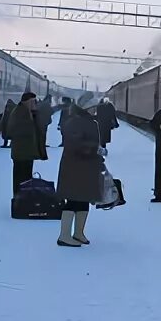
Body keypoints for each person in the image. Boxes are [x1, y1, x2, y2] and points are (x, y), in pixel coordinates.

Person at [56, 104, 105, 247]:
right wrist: (94, 149)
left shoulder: (86, 121)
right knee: (72, 200)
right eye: (92, 106)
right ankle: (64, 236)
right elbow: (74, 144)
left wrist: (97, 151)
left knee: (84, 199)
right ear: (85, 107)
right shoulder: (75, 122)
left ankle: (78, 233)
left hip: (85, 167)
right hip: (75, 167)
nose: (95, 109)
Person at [6, 92, 44, 196]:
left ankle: (24, 199)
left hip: (27, 152)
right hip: (21, 152)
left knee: (26, 178)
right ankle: (19, 200)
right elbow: (12, 130)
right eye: (32, 101)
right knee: (20, 178)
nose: (34, 103)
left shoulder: (29, 112)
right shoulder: (18, 112)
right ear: (26, 101)